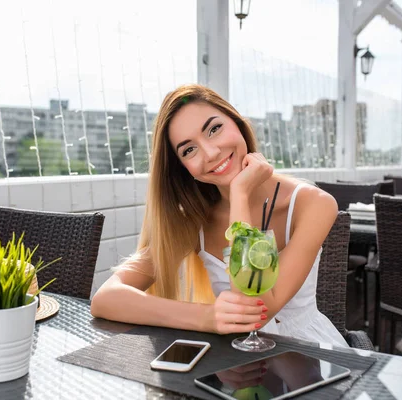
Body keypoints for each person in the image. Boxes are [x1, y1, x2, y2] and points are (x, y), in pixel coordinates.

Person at [91, 84, 347, 347]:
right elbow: (105, 299)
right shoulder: (194, 219)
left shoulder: (314, 204)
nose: (211, 153)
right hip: (236, 363)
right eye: (189, 150)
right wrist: (206, 317)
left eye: (214, 129)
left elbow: (256, 310)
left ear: (237, 123)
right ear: (183, 169)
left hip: (310, 357)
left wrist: (239, 193)